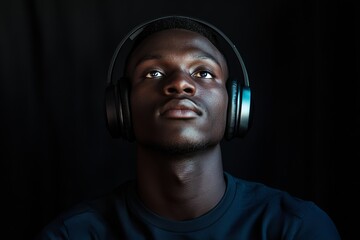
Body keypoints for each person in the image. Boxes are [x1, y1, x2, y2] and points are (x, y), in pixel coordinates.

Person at [35, 15, 341, 239]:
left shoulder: (296, 228)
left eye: (204, 73)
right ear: (122, 108)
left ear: (235, 106)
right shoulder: (72, 235)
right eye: (153, 73)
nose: (180, 83)